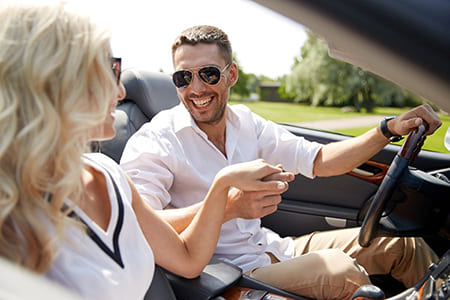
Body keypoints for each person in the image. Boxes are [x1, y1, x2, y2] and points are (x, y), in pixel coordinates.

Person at [120, 25, 443, 300]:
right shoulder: (156, 141)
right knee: (341, 272)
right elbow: (140, 225)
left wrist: (387, 130)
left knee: (402, 245)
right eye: (183, 78)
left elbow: (319, 160)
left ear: (231, 74)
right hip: (230, 273)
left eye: (208, 74)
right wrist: (225, 207)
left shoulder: (245, 122)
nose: (197, 88)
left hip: (276, 249)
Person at [0, 6, 293, 299]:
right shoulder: (11, 220)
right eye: (109, 70)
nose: (120, 92)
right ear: (49, 84)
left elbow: (189, 260)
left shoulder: (109, 174)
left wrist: (222, 185)